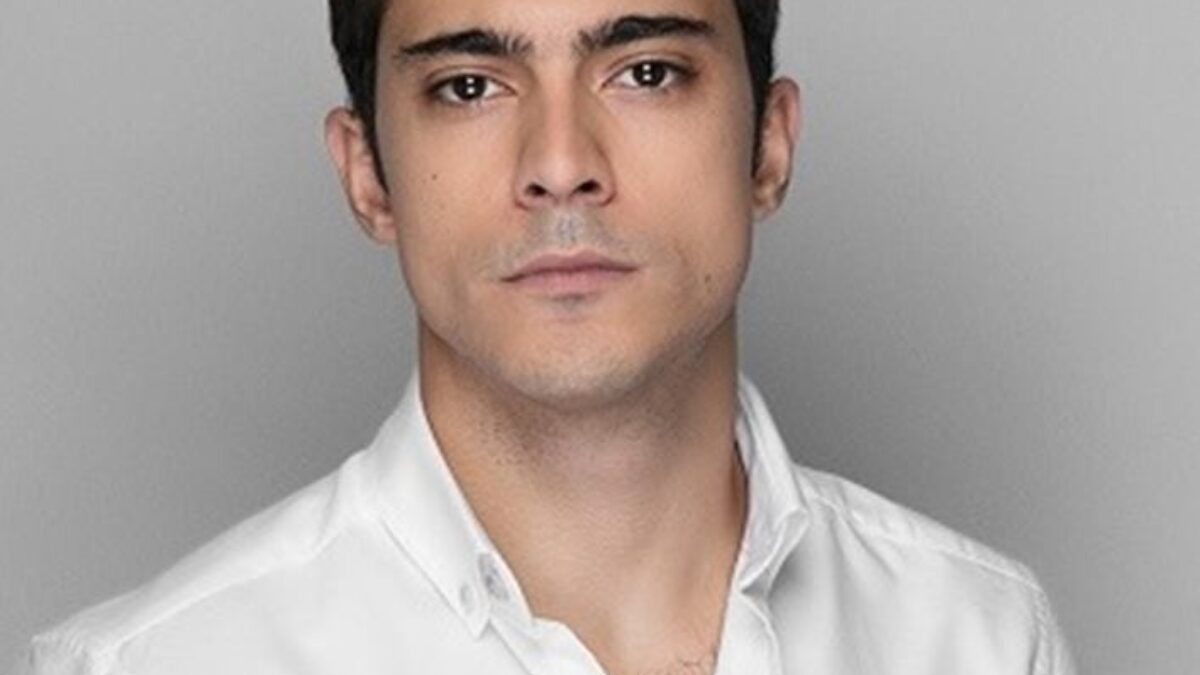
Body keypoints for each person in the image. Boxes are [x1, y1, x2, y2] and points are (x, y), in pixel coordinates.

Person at [12, 0, 1077, 673]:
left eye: (646, 70)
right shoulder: (152, 665)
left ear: (769, 144)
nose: (561, 163)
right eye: (469, 85)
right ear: (367, 174)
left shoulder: (979, 638)